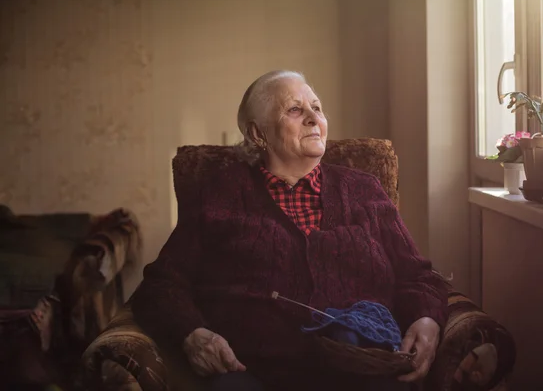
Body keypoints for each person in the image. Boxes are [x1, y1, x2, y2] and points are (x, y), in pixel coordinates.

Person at [131, 70, 449, 391]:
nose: (313, 118)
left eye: (317, 108)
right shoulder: (220, 196)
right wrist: (192, 332)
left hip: (364, 368)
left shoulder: (364, 190)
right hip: (255, 372)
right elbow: (161, 284)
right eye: (295, 110)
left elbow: (418, 275)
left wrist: (427, 318)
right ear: (258, 134)